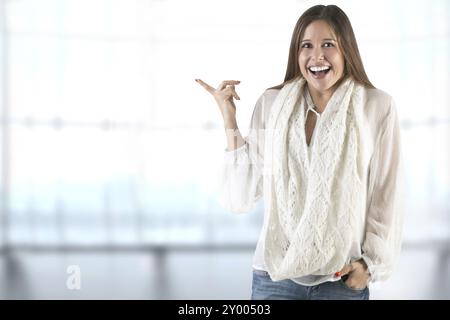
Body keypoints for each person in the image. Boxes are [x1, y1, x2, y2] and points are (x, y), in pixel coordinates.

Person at [195, 4, 403, 300]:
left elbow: (387, 194)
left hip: (340, 280)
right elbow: (243, 195)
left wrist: (369, 266)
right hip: (274, 278)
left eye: (328, 45)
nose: (317, 56)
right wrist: (230, 119)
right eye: (307, 46)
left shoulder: (376, 106)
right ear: (297, 53)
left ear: (347, 50)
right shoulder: (272, 104)